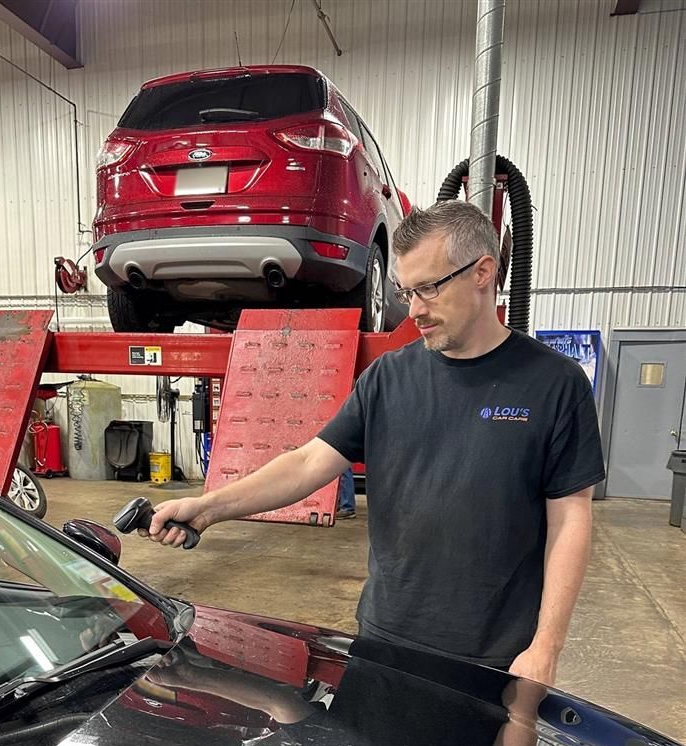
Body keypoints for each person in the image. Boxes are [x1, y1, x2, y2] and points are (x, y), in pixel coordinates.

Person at [143, 201, 606, 684]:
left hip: (494, 655)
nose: (415, 309)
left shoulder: (555, 384)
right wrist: (209, 507)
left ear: (483, 273)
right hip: (383, 639)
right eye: (407, 291)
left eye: (428, 288)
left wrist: (546, 649)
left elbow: (571, 518)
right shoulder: (388, 377)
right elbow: (307, 463)